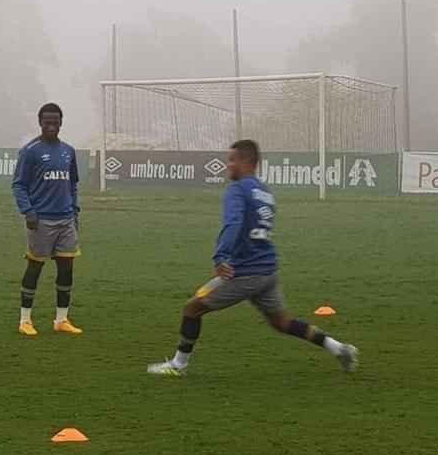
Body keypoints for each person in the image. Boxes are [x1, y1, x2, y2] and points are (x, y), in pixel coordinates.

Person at [147, 139, 358, 376]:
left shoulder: (237, 190)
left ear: (247, 161)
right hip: (267, 271)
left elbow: (234, 223)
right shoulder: (265, 192)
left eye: (232, 160)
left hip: (244, 273)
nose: (228, 165)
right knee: (283, 323)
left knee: (192, 309)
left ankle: (178, 365)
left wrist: (221, 257)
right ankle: (339, 349)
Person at [11, 102, 82, 336]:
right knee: (35, 267)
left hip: (66, 219)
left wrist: (75, 211)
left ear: (61, 123)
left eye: (55, 122)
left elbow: (72, 183)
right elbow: (19, 185)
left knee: (66, 269)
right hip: (41, 221)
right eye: (47, 122)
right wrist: (28, 212)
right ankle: (25, 321)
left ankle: (61, 320)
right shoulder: (30, 151)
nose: (51, 126)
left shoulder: (68, 151)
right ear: (40, 123)